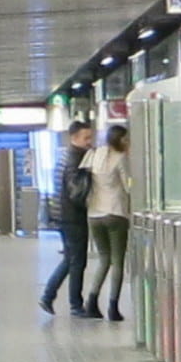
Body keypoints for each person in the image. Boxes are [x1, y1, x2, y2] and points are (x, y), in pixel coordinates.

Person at [36, 116, 93, 315]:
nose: (89, 142)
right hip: (73, 217)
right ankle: (75, 305)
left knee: (70, 259)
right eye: (86, 138)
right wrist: (89, 178)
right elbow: (75, 192)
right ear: (74, 138)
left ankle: (48, 296)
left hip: (63, 215)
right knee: (77, 261)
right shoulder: (76, 159)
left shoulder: (66, 155)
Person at [83, 115, 134, 317]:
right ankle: (113, 307)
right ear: (120, 140)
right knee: (118, 261)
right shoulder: (120, 158)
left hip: (94, 214)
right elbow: (128, 186)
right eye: (126, 139)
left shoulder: (95, 154)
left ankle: (92, 301)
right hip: (115, 213)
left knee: (104, 258)